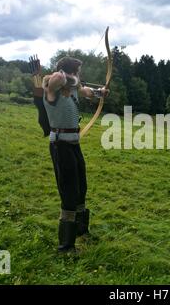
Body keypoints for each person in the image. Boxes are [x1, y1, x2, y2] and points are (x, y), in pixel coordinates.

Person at [37, 56, 108, 253]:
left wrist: (99, 92)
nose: (80, 75)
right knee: (69, 193)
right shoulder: (52, 86)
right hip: (60, 146)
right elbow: (56, 80)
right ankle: (65, 246)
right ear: (71, 71)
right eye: (78, 71)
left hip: (74, 145)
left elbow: (86, 92)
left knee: (81, 188)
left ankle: (81, 230)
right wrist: (71, 77)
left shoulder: (73, 88)